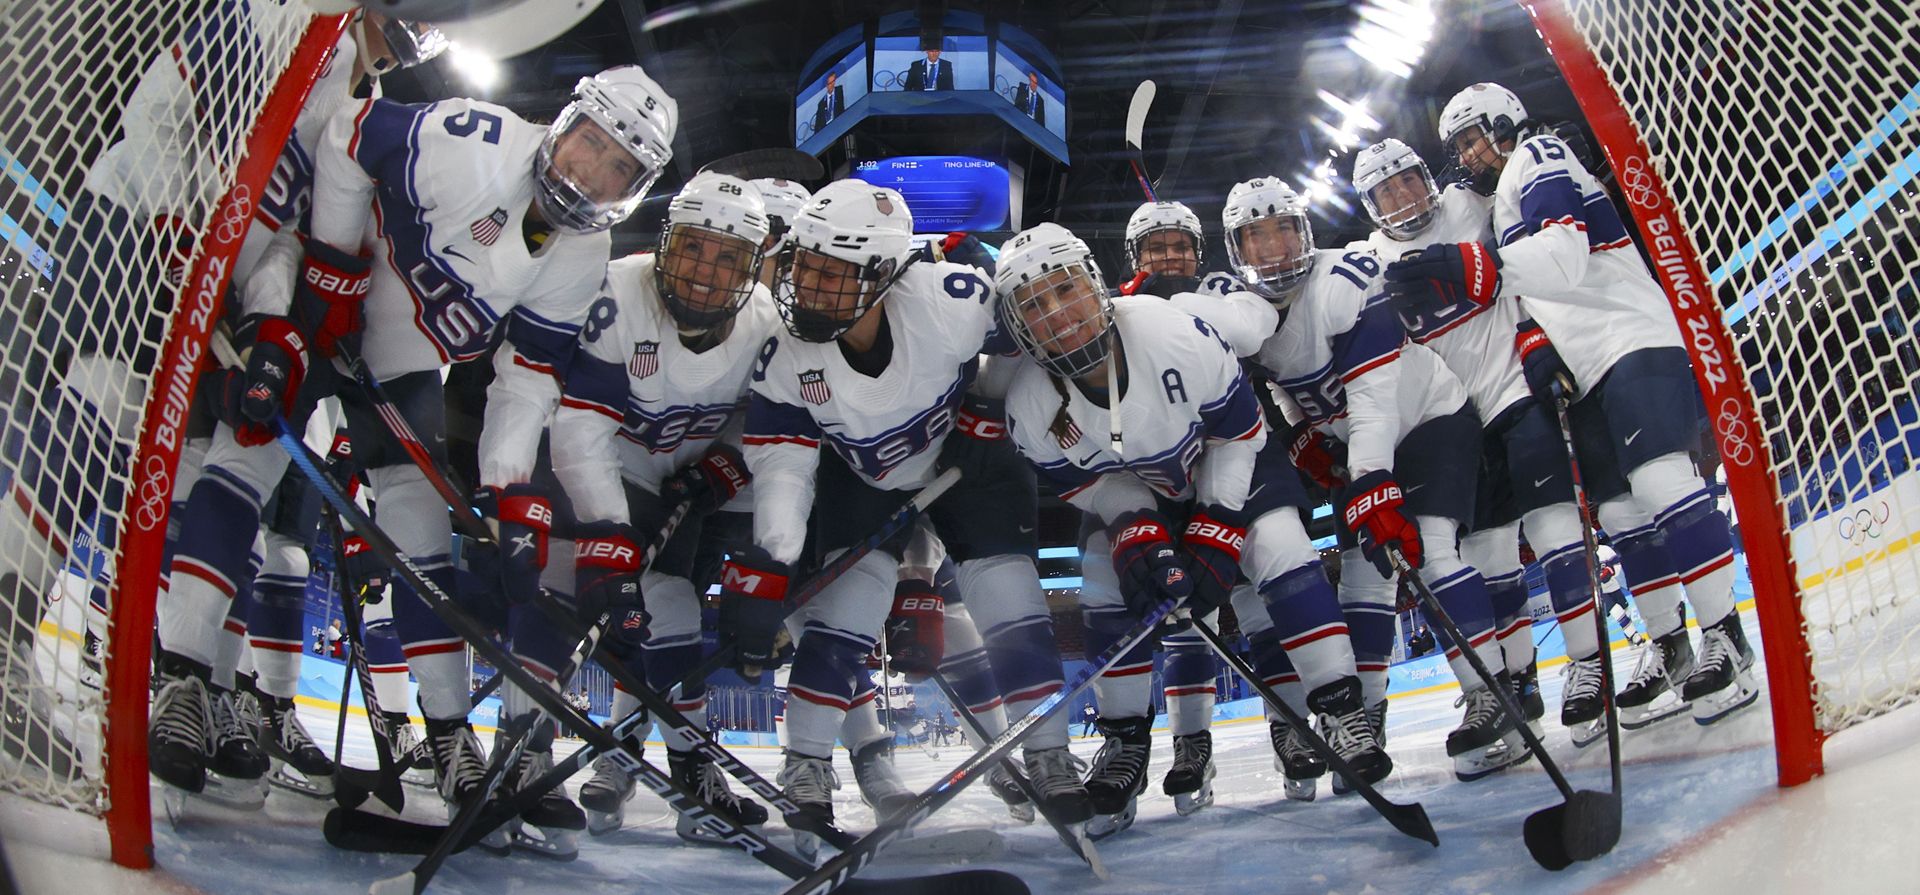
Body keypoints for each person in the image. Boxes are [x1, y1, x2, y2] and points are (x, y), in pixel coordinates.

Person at [721, 180, 1086, 854]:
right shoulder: (784, 352)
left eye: (832, 270)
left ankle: (1047, 752)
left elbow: (1025, 333)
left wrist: (988, 402)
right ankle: (806, 762)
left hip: (961, 458)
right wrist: (773, 557)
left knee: (1011, 600)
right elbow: (784, 468)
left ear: (885, 275)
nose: (808, 283)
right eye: (805, 262)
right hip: (863, 474)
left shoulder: (949, 300)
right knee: (845, 613)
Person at [1395, 81, 1755, 728]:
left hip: (1631, 336)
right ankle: (1669, 642)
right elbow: (1533, 294)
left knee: (1657, 479)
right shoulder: (1502, 202)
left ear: (1506, 122)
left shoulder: (1540, 154)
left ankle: (1726, 633)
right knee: (1618, 510)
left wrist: (1471, 265)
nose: (1470, 155)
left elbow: (1562, 255)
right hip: (1587, 366)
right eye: (1461, 146)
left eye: (1476, 136)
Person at [1224, 176, 1525, 783]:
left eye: (1285, 227)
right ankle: (1366, 714)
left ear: (1304, 230)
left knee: (1429, 550)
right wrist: (1304, 435)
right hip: (1359, 447)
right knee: (1363, 583)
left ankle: (1493, 694)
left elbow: (1375, 399)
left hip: (1427, 420)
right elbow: (1283, 386)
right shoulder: (1246, 313)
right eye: (1258, 236)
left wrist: (1369, 480)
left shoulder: (1346, 279)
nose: (1276, 245)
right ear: (1239, 250)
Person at [549, 171, 777, 842]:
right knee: (553, 604)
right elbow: (578, 422)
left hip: (677, 484)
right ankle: (525, 754)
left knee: (668, 607)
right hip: (589, 467)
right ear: (667, 242)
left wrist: (728, 459)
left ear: (752, 264)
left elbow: (765, 414)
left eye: (728, 257)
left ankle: (687, 763)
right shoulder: (618, 292)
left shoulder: (765, 321)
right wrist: (605, 527)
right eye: (695, 249)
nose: (707, 272)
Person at [1352, 135, 1589, 744]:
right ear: (1369, 203)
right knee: (1491, 560)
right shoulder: (1366, 262)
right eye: (1385, 189)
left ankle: (1590, 665)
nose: (1401, 194)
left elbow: (1535, 257)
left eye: (1407, 179)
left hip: (1513, 389)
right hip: (1453, 422)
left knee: (1553, 526)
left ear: (1425, 177)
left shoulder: (1473, 205)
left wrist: (1539, 336)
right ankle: (1518, 684)